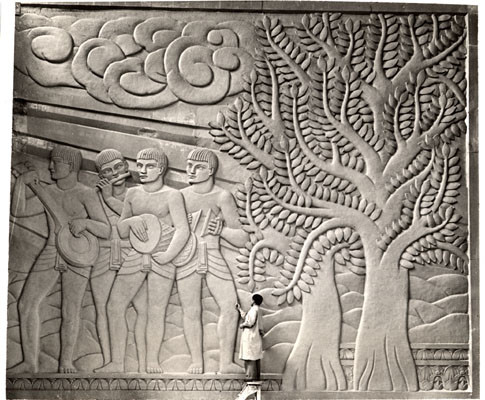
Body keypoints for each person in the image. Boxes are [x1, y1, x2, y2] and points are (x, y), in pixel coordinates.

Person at [9, 146, 111, 373]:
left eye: (56, 162)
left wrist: (85, 223)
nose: (50, 166)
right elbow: (18, 213)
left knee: (71, 309)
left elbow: (105, 229)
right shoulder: (48, 191)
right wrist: (20, 183)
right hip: (51, 250)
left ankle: (66, 361)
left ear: (72, 166)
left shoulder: (86, 193)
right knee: (26, 303)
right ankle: (29, 362)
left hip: (78, 254)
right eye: (50, 162)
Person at [95, 148, 190, 373]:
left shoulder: (172, 195)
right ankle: (117, 363)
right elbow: (121, 227)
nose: (143, 170)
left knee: (156, 311)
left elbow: (182, 230)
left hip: (162, 257)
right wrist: (132, 221)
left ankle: (152, 362)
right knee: (114, 305)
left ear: (161, 168)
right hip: (136, 255)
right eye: (140, 165)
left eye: (149, 166)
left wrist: (168, 256)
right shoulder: (133, 194)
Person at [177, 148, 248, 374]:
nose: (192, 170)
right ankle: (196, 361)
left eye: (198, 167)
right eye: (189, 166)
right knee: (191, 309)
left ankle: (226, 362)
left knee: (230, 306)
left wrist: (222, 230)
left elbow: (242, 237)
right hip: (187, 256)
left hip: (213, 254)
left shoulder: (222, 196)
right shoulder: (180, 197)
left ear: (211, 170)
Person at [92, 149, 147, 372]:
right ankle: (110, 361)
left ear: (126, 166)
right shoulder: (94, 195)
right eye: (107, 171)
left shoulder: (138, 194)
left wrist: (109, 199)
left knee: (144, 309)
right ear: (101, 176)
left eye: (117, 167)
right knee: (103, 309)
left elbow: (135, 221)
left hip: (134, 255)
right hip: (104, 255)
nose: (114, 173)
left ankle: (144, 363)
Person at [237, 294, 264, 381]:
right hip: (255, 337)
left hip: (250, 337)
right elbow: (247, 318)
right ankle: (255, 378)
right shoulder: (258, 310)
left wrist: (242, 325)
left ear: (253, 301)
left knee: (249, 358)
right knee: (255, 358)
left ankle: (250, 378)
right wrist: (240, 309)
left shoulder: (253, 310)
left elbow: (250, 322)